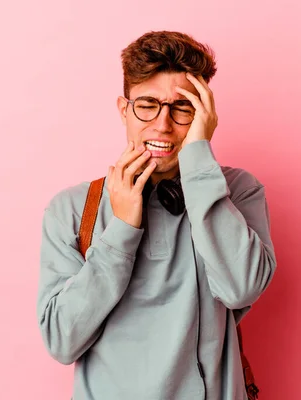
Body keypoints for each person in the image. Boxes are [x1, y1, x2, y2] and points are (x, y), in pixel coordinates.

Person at [36, 30, 277, 400]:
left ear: (205, 116)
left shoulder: (238, 191)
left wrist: (198, 160)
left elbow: (241, 287)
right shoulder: (72, 209)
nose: (162, 125)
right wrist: (122, 230)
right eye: (147, 104)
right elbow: (61, 340)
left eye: (182, 107)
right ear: (124, 110)